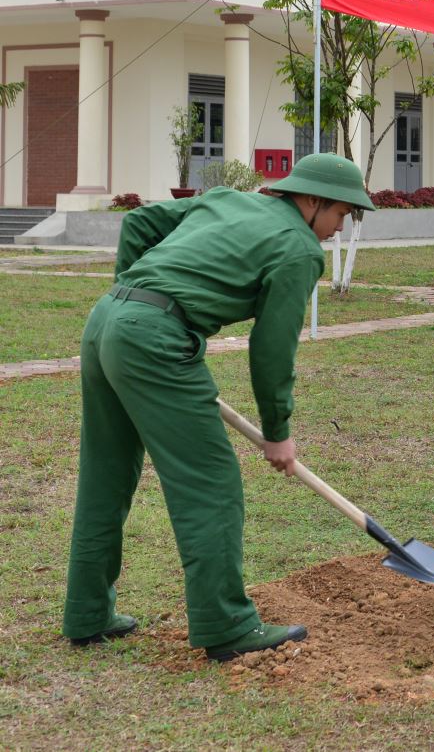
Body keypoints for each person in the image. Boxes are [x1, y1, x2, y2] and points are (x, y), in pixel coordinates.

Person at [63, 153, 373, 661]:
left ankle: (88, 612)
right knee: (211, 483)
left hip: (107, 321)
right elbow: (272, 350)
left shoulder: (232, 199)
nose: (339, 229)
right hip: (153, 340)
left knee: (106, 474)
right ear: (313, 201)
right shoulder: (298, 249)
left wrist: (134, 292)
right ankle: (226, 625)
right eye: (342, 214)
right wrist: (278, 430)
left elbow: (141, 221)